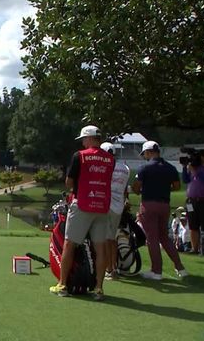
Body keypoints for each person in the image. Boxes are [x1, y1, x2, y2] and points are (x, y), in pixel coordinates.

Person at [50, 125, 114, 301]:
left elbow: (69, 183)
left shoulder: (80, 156)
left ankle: (62, 285)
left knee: (70, 244)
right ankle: (99, 288)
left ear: (90, 138)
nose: (83, 142)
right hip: (102, 205)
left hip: (83, 204)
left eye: (84, 139)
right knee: (100, 247)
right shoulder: (110, 159)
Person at [132, 141, 188, 279]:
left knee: (152, 239)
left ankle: (156, 271)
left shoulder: (144, 168)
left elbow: (136, 188)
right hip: (164, 205)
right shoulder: (170, 168)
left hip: (149, 204)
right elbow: (176, 186)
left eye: (144, 153)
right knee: (164, 237)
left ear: (149, 152)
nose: (144, 156)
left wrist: (143, 189)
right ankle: (180, 267)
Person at [100, 142, 130, 280]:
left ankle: (108, 269)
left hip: (106, 205)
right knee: (112, 239)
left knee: (105, 239)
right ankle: (113, 269)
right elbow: (125, 191)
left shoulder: (106, 166)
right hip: (119, 206)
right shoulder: (125, 168)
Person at [182, 149, 204, 255]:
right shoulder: (195, 167)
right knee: (193, 226)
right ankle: (194, 248)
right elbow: (185, 180)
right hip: (192, 200)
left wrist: (195, 172)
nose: (203, 158)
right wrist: (185, 167)